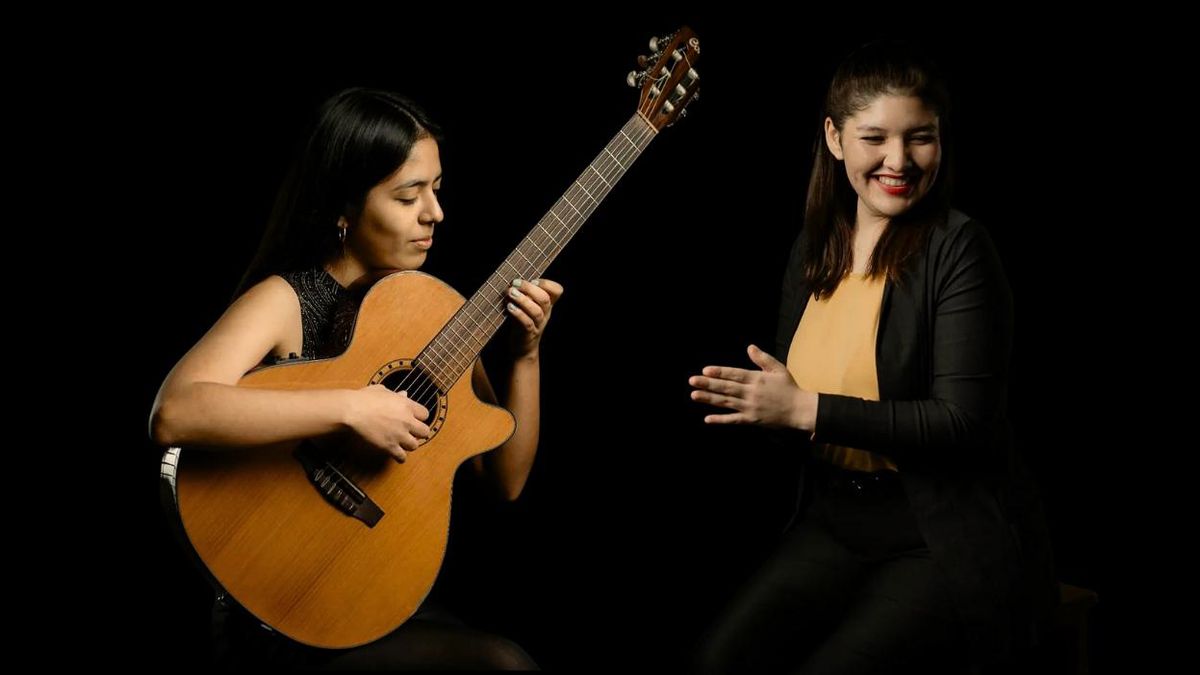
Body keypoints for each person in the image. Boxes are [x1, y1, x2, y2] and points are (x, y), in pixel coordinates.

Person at [150, 88, 561, 669]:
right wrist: (353, 408)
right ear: (344, 207)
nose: (434, 213)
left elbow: (506, 480)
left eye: (437, 189)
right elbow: (175, 413)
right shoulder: (284, 301)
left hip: (369, 596)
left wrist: (525, 355)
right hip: (273, 615)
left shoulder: (434, 314)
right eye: (407, 196)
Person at [688, 42, 1056, 674]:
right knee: (715, 661)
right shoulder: (814, 247)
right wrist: (762, 409)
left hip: (935, 535)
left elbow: (962, 423)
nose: (898, 161)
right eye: (874, 138)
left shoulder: (960, 249)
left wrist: (805, 408)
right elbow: (793, 416)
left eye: (920, 138)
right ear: (834, 138)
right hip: (835, 520)